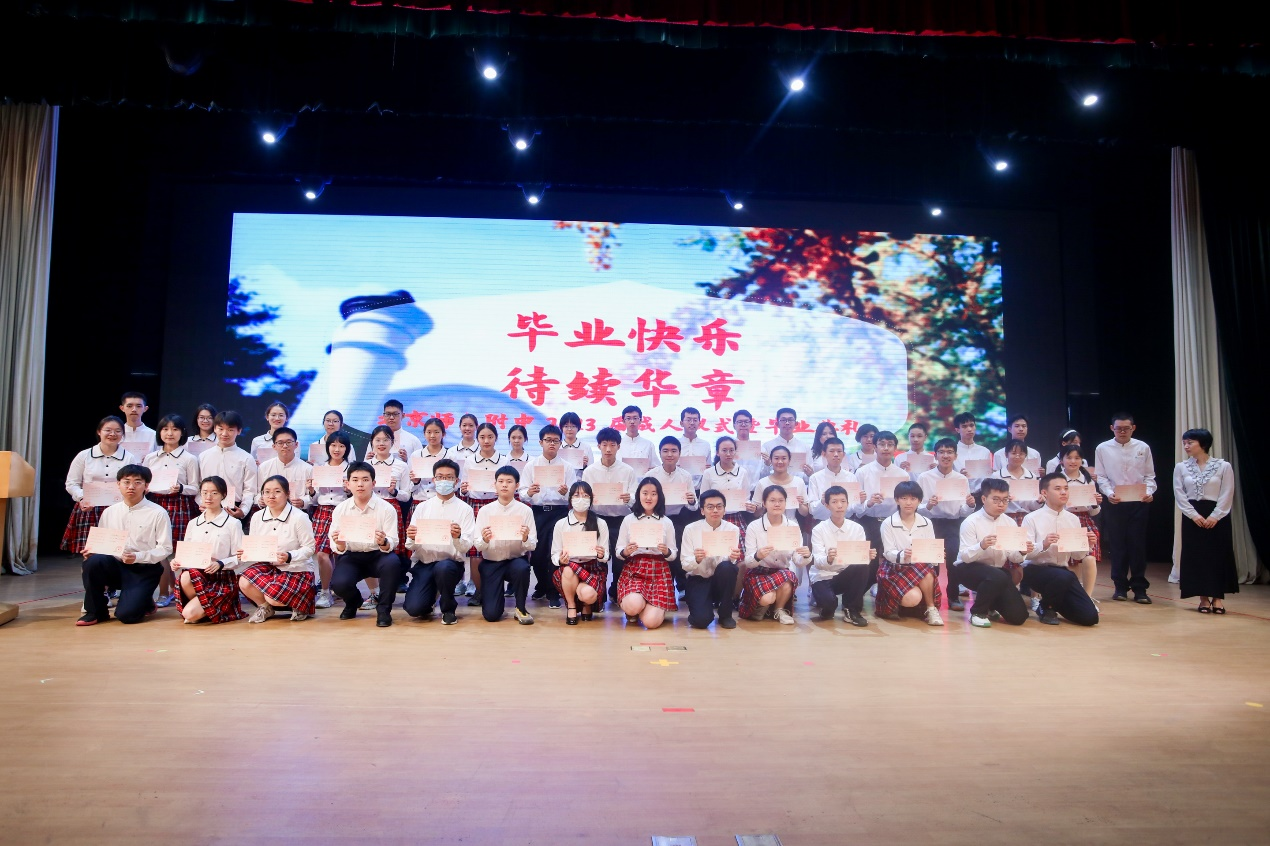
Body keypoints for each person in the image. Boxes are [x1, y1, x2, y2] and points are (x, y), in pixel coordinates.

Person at [76, 464, 172, 626]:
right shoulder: (109, 512)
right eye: (126, 482)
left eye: (137, 482)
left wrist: (137, 556)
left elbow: (166, 548)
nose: (131, 487)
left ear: (146, 486)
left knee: (127, 616)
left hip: (144, 569)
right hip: (116, 565)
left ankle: (145, 600)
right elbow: (103, 542)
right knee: (93, 562)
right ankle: (96, 612)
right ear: (118, 484)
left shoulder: (158, 513)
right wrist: (93, 551)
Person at [328, 461, 404, 627]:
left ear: (373, 483)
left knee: (393, 564)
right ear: (348, 484)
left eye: (365, 479)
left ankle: (384, 610)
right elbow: (336, 545)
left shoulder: (386, 508)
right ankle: (353, 602)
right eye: (355, 480)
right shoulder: (340, 509)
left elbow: (393, 541)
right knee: (338, 584)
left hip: (379, 555)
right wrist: (340, 544)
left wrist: (384, 541)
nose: (360, 484)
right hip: (352, 556)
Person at [1020, 474, 1101, 626]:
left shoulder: (1073, 519)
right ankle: (1046, 607)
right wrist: (1043, 544)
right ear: (1044, 493)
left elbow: (1077, 555)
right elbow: (1025, 554)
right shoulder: (1031, 518)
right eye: (1057, 489)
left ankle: (1054, 604)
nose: (1063, 492)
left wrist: (1087, 544)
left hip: (1062, 573)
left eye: (1066, 488)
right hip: (1035, 570)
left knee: (1090, 617)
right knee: (1066, 576)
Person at [952, 478, 1034, 628]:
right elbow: (965, 557)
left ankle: (990, 605)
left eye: (1005, 500)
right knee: (998, 575)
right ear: (984, 499)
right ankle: (977, 613)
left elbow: (1013, 557)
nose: (1001, 504)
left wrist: (1022, 551)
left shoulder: (1010, 523)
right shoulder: (971, 522)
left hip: (997, 573)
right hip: (967, 569)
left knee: (1019, 617)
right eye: (996, 500)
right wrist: (981, 545)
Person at [1174, 428, 1238, 614]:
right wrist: (1193, 515)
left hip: (1217, 515)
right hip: (1193, 516)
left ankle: (1217, 598)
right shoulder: (1181, 467)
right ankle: (1203, 598)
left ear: (1203, 444)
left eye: (1190, 442)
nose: (1186, 446)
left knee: (1217, 555)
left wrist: (1215, 515)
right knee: (1197, 556)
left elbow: (1227, 492)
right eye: (1184, 443)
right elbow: (1179, 493)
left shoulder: (1223, 466)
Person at [1095, 413, 1157, 603]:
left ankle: (1140, 588)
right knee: (1117, 546)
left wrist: (1149, 492)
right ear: (1111, 428)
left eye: (1126, 428)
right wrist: (1108, 493)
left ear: (1133, 428)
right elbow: (1101, 476)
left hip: (1139, 502)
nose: (1122, 432)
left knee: (1137, 546)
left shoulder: (1143, 447)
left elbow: (1150, 476)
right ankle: (1120, 586)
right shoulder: (1103, 448)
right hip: (1115, 502)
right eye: (1118, 428)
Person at [403, 458, 474, 624]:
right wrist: (412, 536)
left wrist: (457, 537)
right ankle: (431, 595)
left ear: (456, 481)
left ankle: (448, 609)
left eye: (449, 477)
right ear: (434, 480)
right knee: (414, 609)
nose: (444, 481)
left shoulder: (465, 510)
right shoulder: (422, 507)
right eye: (440, 477)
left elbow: (466, 546)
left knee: (444, 568)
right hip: (425, 563)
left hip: (450, 564)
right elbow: (410, 545)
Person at [237, 475, 318, 623]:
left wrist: (289, 556)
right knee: (244, 581)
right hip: (270, 566)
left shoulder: (299, 517)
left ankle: (300, 605)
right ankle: (265, 607)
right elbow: (256, 544)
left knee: (273, 597)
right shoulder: (257, 516)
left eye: (277, 491)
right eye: (266, 492)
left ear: (287, 494)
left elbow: (310, 548)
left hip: (296, 568)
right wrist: (247, 552)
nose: (271, 496)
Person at [143, 413, 202, 607]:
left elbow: (195, 487)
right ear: (159, 432)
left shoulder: (189, 458)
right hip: (154, 504)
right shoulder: (150, 458)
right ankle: (163, 592)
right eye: (165, 429)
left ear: (182, 433)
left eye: (175, 429)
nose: (170, 433)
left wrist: (181, 488)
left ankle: (181, 591)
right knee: (158, 550)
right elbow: (144, 483)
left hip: (180, 505)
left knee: (180, 551)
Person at [171, 476, 246, 624]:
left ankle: (208, 608)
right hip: (198, 575)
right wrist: (176, 561)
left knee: (189, 614)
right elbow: (186, 552)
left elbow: (241, 557)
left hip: (221, 578)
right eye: (204, 493)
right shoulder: (193, 523)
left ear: (223, 495)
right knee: (185, 576)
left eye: (214, 493)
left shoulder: (233, 524)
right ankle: (208, 608)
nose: (208, 497)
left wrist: (221, 563)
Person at [62, 416, 138, 555]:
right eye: (108, 430)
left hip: (117, 509)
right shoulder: (84, 455)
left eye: (118, 431)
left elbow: (131, 483)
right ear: (99, 432)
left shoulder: (129, 458)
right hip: (90, 509)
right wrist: (82, 498)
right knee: (89, 553)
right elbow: (71, 483)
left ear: (122, 434)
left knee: (116, 552)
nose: (112, 434)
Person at [917, 437, 976, 611]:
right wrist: (928, 505)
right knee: (931, 561)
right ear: (935, 455)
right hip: (931, 523)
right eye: (941, 452)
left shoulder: (961, 479)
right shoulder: (924, 477)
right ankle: (931, 597)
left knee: (953, 560)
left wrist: (970, 505)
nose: (945, 455)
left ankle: (953, 596)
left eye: (949, 452)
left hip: (954, 524)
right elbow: (917, 507)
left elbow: (963, 511)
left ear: (955, 456)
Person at [472, 466, 537, 624]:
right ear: (494, 484)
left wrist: (525, 538)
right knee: (491, 615)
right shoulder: (485, 511)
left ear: (517, 485)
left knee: (522, 568)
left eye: (509, 481)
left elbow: (532, 545)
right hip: (492, 562)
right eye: (500, 481)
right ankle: (495, 603)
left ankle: (521, 608)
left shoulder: (525, 511)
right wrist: (485, 539)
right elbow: (478, 546)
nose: (504, 485)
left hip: (515, 560)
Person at [520, 424, 574, 607]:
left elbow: (574, 494)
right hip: (538, 512)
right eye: (548, 440)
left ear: (560, 443)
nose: (552, 444)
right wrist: (529, 492)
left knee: (556, 552)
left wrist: (566, 492)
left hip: (560, 513)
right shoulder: (531, 466)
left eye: (556, 441)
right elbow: (522, 492)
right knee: (537, 554)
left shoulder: (567, 467)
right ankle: (542, 584)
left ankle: (553, 592)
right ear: (540, 442)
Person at [614, 477, 678, 629]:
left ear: (659, 496)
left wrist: (666, 551)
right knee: (633, 606)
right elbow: (618, 551)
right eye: (645, 493)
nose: (649, 497)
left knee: (651, 623)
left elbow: (673, 554)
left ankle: (648, 607)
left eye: (654, 494)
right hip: (635, 569)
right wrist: (626, 551)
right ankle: (636, 607)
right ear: (638, 495)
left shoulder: (666, 522)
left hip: (659, 571)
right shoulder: (628, 520)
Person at [877, 481, 944, 625]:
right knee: (913, 598)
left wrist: (936, 554)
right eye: (904, 498)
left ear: (919, 501)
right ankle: (899, 603)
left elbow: (931, 547)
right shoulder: (888, 523)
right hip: (895, 568)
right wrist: (903, 555)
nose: (909, 502)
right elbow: (888, 553)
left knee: (926, 569)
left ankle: (931, 609)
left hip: (920, 567)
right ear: (897, 500)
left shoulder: (926, 522)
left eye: (913, 499)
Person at [809, 485, 877, 626]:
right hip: (823, 575)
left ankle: (851, 609)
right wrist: (828, 558)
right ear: (827, 505)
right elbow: (818, 562)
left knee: (863, 566)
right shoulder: (818, 529)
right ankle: (826, 605)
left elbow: (860, 558)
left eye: (843, 501)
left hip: (845, 574)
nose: (839, 505)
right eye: (834, 502)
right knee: (829, 605)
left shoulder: (857, 528)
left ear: (847, 503)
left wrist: (867, 556)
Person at [741, 485, 809, 624]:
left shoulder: (793, 527)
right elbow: (748, 562)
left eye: (781, 500)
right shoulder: (754, 526)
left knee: (788, 576)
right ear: (764, 503)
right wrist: (758, 556)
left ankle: (779, 610)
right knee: (768, 597)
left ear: (786, 502)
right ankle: (761, 606)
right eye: (772, 500)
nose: (777, 504)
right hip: (758, 572)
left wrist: (806, 556)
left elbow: (797, 560)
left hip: (781, 572)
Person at [582, 426, 636, 599]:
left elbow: (635, 498)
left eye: (612, 445)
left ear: (618, 447)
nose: (608, 449)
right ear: (598, 446)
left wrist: (629, 498)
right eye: (604, 444)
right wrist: (589, 498)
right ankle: (599, 593)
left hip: (620, 520)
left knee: (621, 559)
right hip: (597, 519)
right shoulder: (589, 471)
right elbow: (583, 499)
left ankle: (615, 590)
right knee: (598, 557)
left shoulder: (628, 471)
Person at [680, 489, 742, 629]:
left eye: (719, 506)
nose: (715, 510)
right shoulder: (690, 529)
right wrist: (696, 559)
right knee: (701, 620)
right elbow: (685, 564)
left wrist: (732, 557)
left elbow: (731, 563)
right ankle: (700, 608)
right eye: (710, 507)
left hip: (720, 578)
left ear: (724, 510)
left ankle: (725, 614)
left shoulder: (732, 529)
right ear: (702, 511)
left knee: (728, 567)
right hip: (698, 578)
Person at [551, 481, 610, 624]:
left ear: (591, 499)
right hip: (570, 568)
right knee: (568, 570)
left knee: (588, 594)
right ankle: (571, 605)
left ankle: (586, 604)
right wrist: (560, 559)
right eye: (576, 495)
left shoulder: (600, 523)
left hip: (593, 567)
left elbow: (606, 555)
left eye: (585, 495)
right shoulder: (561, 524)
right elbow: (555, 554)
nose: (581, 499)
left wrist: (601, 554)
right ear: (570, 499)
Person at [461, 422, 506, 605]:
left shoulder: (503, 460)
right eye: (482, 437)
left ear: (496, 438)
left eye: (490, 437)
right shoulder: (470, 461)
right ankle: (478, 591)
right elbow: (463, 487)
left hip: (497, 506)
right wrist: (464, 489)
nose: (486, 441)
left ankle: (495, 590)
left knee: (496, 547)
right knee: (476, 551)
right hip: (476, 505)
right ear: (477, 438)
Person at [646, 435, 697, 595]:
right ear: (660, 453)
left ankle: (681, 586)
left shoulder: (685, 475)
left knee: (679, 552)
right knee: (660, 552)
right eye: (665, 451)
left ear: (679, 453)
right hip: (657, 519)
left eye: (674, 451)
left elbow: (694, 507)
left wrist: (691, 500)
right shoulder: (651, 475)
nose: (670, 454)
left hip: (678, 518)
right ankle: (661, 587)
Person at [308, 431, 351, 609]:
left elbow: (357, 496)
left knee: (341, 553)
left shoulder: (351, 469)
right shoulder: (320, 468)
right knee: (321, 553)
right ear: (328, 447)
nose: (337, 449)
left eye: (341, 446)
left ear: (347, 449)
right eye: (333, 445)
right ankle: (325, 592)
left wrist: (348, 490)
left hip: (343, 511)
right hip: (323, 511)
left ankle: (340, 588)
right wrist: (311, 490)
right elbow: (313, 499)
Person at [854, 431, 913, 553]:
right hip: (869, 522)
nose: (886, 448)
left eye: (890, 444)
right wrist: (869, 503)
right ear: (875, 447)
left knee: (895, 559)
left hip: (894, 523)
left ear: (895, 448)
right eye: (881, 444)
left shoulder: (903, 475)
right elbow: (855, 506)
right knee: (870, 560)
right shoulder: (862, 472)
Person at [1057, 444, 1102, 601]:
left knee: (1089, 557)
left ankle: (1087, 597)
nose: (1073, 461)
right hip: (1064, 520)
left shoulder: (1088, 480)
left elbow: (1094, 512)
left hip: (1084, 520)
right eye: (1069, 457)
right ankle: (1073, 594)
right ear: (1061, 460)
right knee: (1071, 562)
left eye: (1077, 458)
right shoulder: (1057, 479)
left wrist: (1095, 503)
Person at [198, 411, 258, 527]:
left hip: (233, 509)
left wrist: (243, 511)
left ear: (239, 431)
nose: (224, 433)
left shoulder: (246, 458)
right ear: (215, 429)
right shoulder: (203, 456)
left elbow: (250, 489)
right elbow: (198, 484)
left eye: (230, 430)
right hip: (207, 507)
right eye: (220, 429)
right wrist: (202, 503)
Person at [699, 436, 754, 540]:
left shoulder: (742, 472)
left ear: (735, 452)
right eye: (724, 450)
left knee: (737, 549)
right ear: (717, 452)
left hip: (735, 518)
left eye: (731, 450)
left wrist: (750, 506)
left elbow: (746, 498)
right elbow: (703, 498)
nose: (728, 454)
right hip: (714, 518)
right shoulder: (709, 473)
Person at [807, 437, 866, 522]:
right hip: (822, 523)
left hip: (846, 522)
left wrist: (860, 502)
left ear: (844, 454)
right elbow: (811, 509)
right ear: (824, 454)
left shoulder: (851, 477)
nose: (836, 454)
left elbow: (853, 508)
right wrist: (822, 501)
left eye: (839, 451)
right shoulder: (815, 478)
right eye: (831, 451)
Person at [257, 427, 313, 511]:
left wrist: (303, 501)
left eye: (289, 442)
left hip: (298, 512)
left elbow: (315, 494)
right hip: (270, 512)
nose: (285, 446)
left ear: (296, 444)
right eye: (280, 443)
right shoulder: (264, 467)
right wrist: (260, 500)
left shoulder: (308, 468)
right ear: (274, 446)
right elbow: (257, 492)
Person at [994, 439, 1043, 524]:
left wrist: (1039, 501)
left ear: (1025, 455)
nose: (1017, 456)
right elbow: (992, 501)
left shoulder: (1031, 476)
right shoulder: (997, 476)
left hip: (1027, 518)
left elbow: (1032, 506)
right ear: (1006, 454)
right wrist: (1004, 499)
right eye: (1013, 453)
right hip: (1003, 518)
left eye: (1021, 454)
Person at [762, 407, 812, 480]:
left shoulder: (804, 447)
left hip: (797, 486)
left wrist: (809, 474)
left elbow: (808, 478)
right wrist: (767, 465)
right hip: (774, 486)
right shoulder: (767, 446)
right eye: (783, 420)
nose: (787, 423)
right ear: (777, 424)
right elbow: (762, 476)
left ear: (796, 424)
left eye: (790, 420)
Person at [951, 412, 993, 494]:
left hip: (981, 494)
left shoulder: (984, 451)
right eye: (964, 426)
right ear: (957, 430)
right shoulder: (952, 452)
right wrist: (959, 476)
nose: (969, 429)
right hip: (959, 494)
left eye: (971, 425)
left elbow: (987, 477)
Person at [678, 407, 713, 483]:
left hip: (700, 487)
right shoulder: (675, 444)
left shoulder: (705, 445)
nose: (692, 423)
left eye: (695, 420)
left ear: (699, 423)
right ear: (681, 423)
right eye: (688, 420)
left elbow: (709, 470)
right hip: (678, 486)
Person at [730, 409, 765, 484]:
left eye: (746, 422)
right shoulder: (728, 448)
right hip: (731, 488)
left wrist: (767, 463)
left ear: (751, 425)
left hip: (754, 489)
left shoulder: (760, 449)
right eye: (740, 422)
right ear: (734, 425)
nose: (743, 424)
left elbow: (763, 473)